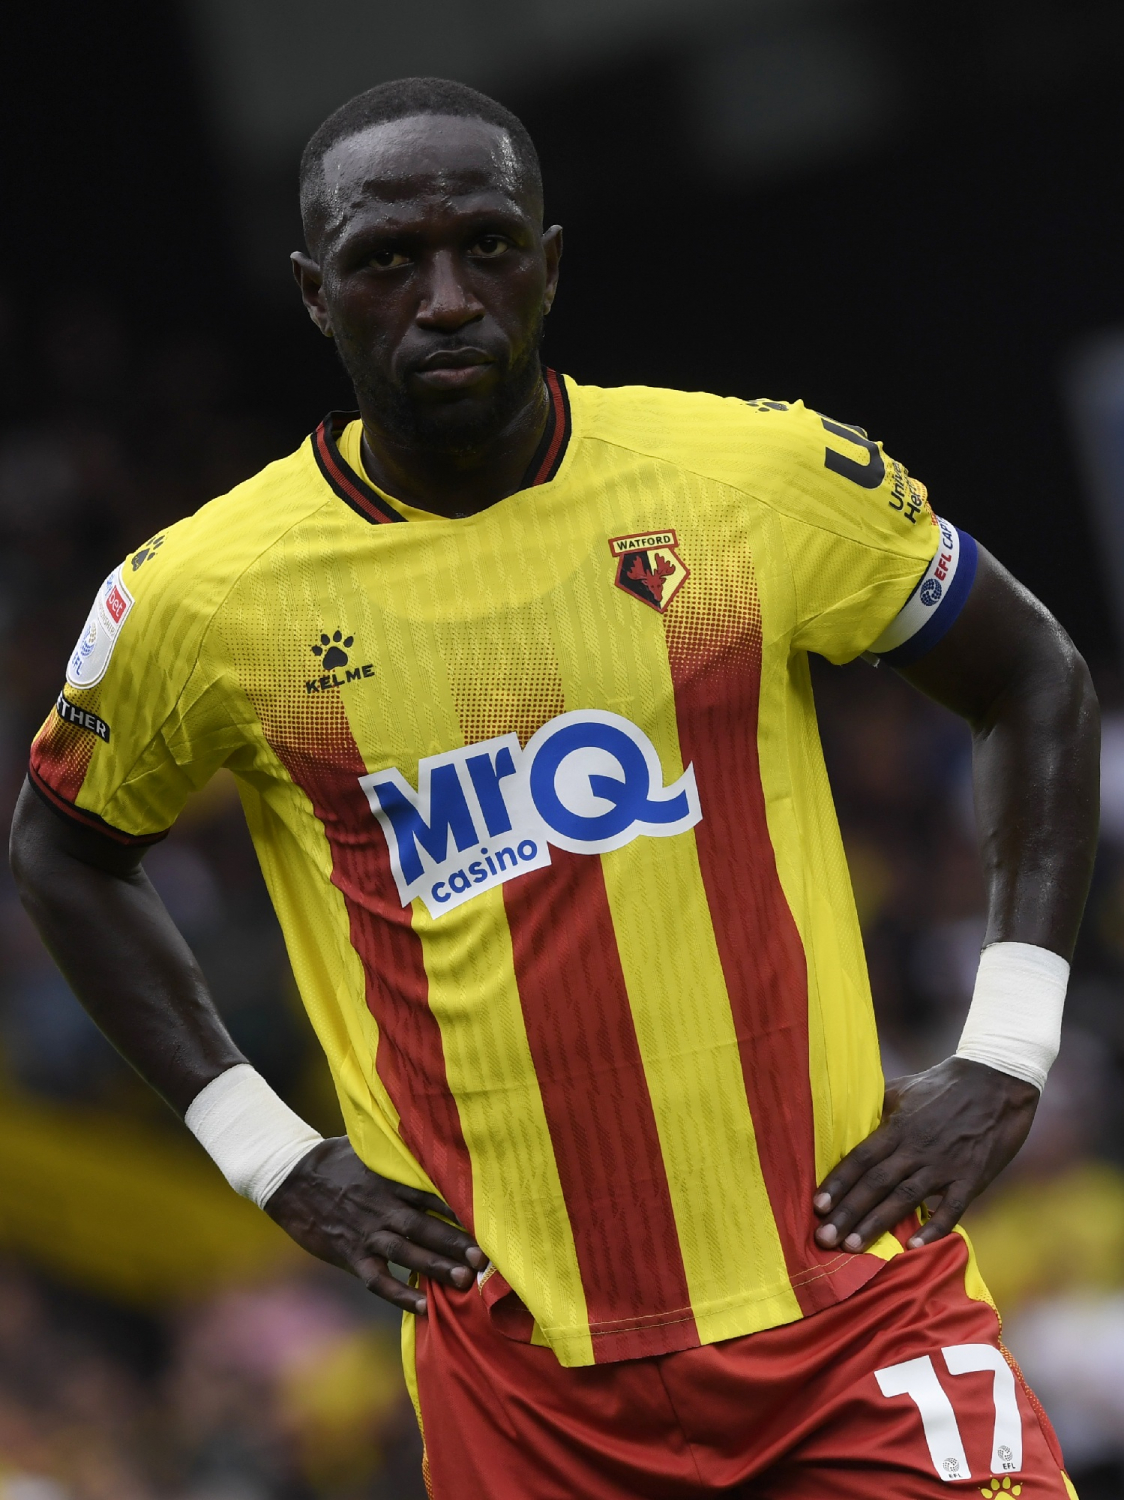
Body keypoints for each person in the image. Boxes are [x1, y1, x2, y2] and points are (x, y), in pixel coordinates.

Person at [10, 76, 1099, 1500]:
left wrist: (1007, 1050)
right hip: (528, 1396)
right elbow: (65, 851)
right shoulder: (201, 599)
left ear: (551, 262)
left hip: (851, 1321)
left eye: (487, 245)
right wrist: (267, 1152)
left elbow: (1035, 678)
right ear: (314, 296)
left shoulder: (755, 480)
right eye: (387, 261)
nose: (446, 299)